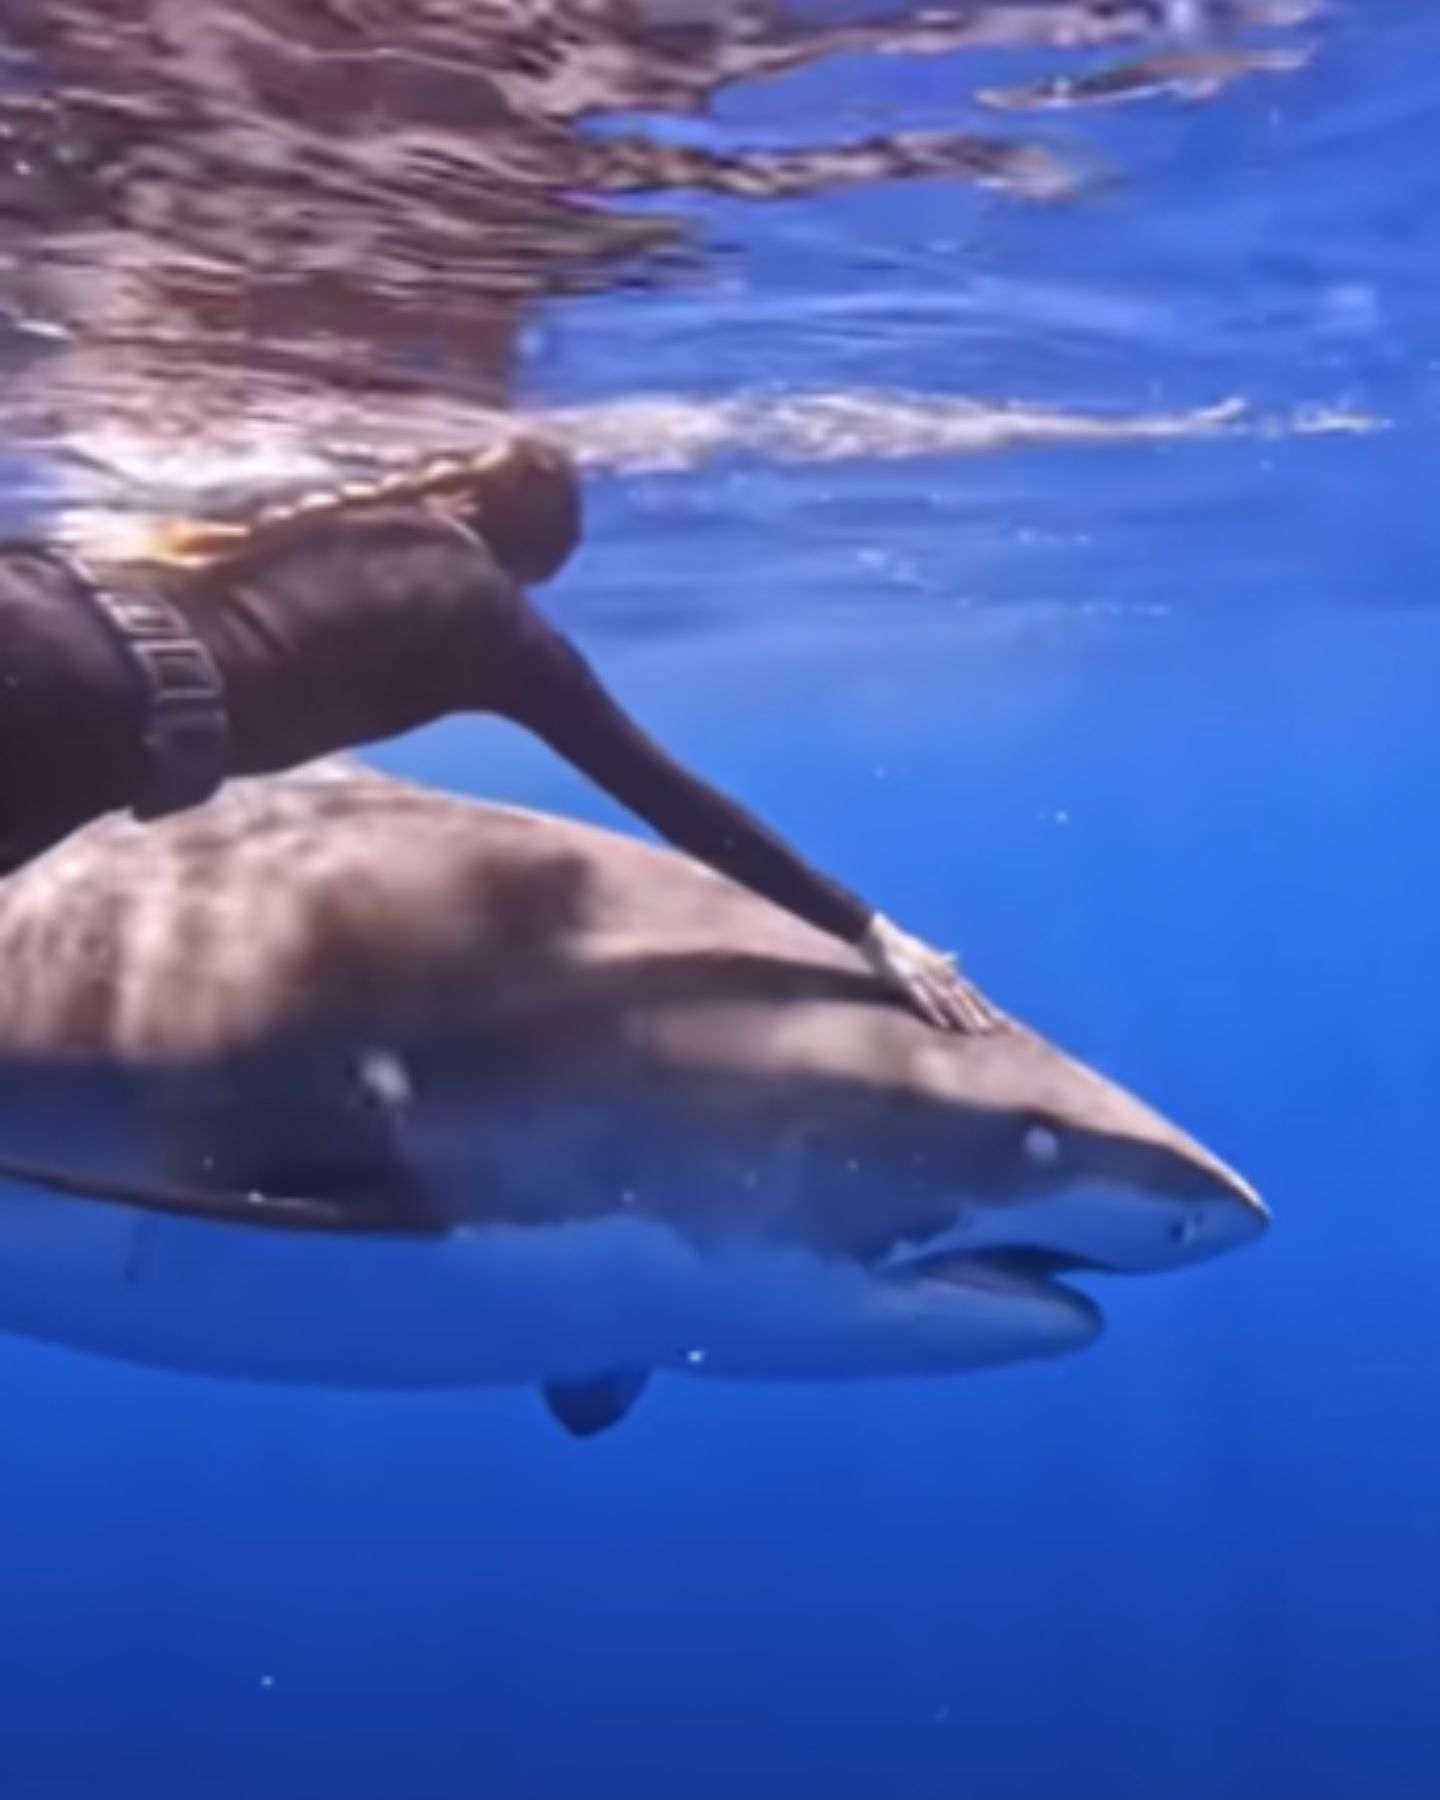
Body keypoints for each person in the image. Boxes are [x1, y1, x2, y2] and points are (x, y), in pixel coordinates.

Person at [0, 435, 995, 1032]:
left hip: (38, 599)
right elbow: (673, 800)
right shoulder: (496, 628)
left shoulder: (320, 511)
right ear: (529, 566)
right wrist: (865, 928)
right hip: (91, 714)